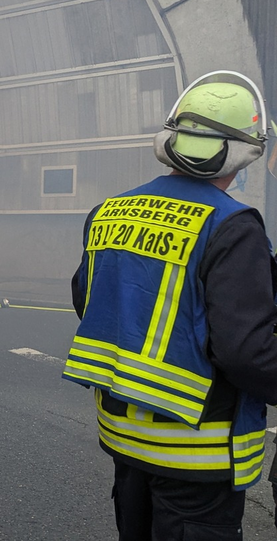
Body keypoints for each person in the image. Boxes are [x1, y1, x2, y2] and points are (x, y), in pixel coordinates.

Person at [62, 70, 277, 539]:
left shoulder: (109, 211)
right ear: (245, 152)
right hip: (197, 454)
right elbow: (245, 352)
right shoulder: (233, 226)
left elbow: (88, 299)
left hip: (124, 439)